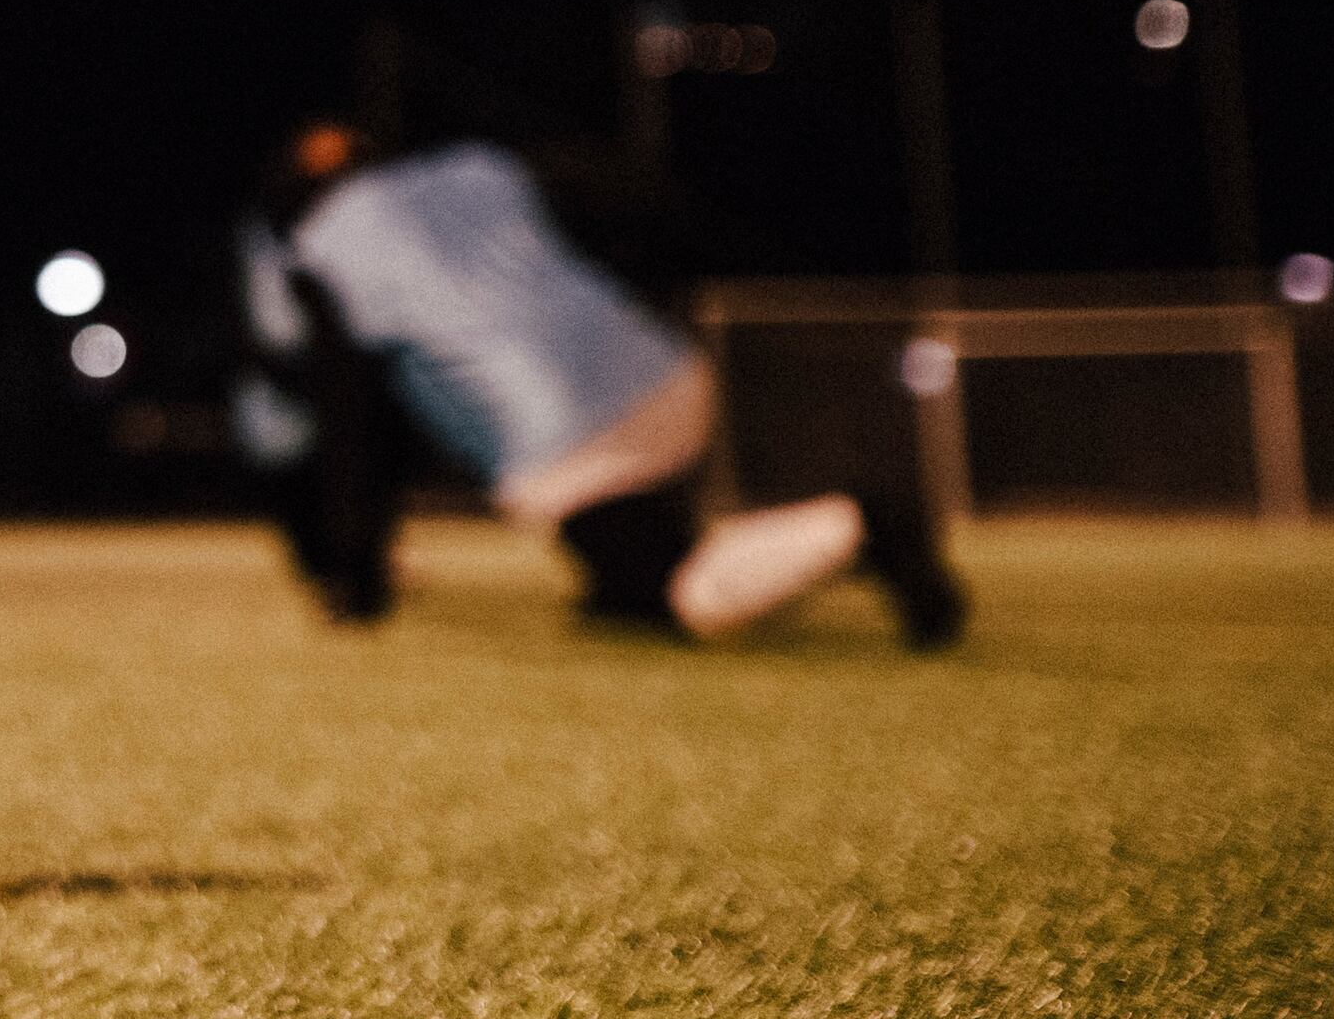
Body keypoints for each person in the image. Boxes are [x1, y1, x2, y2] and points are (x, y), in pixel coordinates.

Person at [234, 122, 968, 647]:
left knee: (682, 596)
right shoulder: (480, 165)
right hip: (667, 373)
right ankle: (620, 583)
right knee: (618, 588)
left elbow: (353, 422)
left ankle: (870, 524)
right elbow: (637, 196)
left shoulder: (323, 255)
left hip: (574, 442)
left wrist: (356, 573)